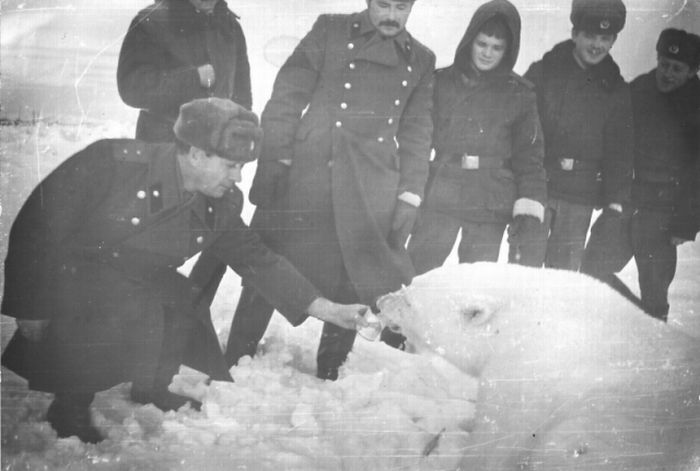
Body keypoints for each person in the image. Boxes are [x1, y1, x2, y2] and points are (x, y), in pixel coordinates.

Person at [1, 98, 370, 444]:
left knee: (183, 298)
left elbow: (257, 258)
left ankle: (151, 385)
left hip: (134, 277)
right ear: (196, 153)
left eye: (242, 167)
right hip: (74, 279)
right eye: (230, 165)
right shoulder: (112, 163)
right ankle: (69, 406)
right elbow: (38, 225)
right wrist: (30, 305)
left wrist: (329, 309)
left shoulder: (219, 202)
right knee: (116, 306)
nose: (237, 177)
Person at [190, 0, 435, 380]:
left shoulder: (420, 59)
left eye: (401, 7)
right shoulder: (331, 31)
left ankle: (331, 370)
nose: (391, 15)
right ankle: (237, 355)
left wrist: (410, 193)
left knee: (353, 273)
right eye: (383, 4)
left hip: (372, 184)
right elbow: (287, 95)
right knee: (272, 256)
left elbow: (418, 132)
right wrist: (276, 160)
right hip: (310, 171)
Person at [407, 0, 546, 274]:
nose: (487, 53)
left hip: (489, 202)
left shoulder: (520, 94)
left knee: (475, 285)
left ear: (508, 51)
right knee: (416, 275)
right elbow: (416, 138)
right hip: (441, 195)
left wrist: (529, 203)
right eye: (482, 44)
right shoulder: (441, 82)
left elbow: (530, 158)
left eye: (497, 48)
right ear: (469, 41)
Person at [581, 28, 700, 321]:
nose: (667, 74)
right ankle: (637, 322)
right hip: (627, 201)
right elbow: (612, 142)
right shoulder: (638, 91)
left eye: (677, 68)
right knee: (590, 272)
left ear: (692, 71)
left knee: (655, 293)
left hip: (664, 214)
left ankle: (651, 329)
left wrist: (686, 223)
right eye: (663, 64)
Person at [524, 0, 633, 271]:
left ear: (613, 40)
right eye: (589, 35)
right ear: (575, 34)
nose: (596, 44)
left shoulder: (616, 89)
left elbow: (620, 151)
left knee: (563, 281)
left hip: (580, 196)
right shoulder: (543, 72)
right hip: (539, 187)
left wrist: (615, 200)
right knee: (522, 273)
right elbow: (519, 129)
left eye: (604, 38)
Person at [117, 0, 251, 142]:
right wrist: (194, 79)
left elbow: (242, 94)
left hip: (213, 153)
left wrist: (238, 138)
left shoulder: (230, 26)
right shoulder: (151, 21)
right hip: (164, 151)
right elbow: (132, 88)